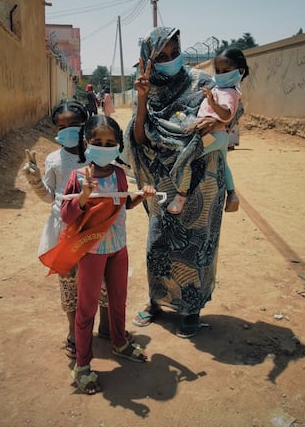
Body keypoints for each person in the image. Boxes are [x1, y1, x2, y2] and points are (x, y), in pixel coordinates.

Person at [125, 26, 234, 338]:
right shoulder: (146, 89)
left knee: (198, 245)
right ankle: (157, 300)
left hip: (203, 179)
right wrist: (143, 99)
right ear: (148, 59)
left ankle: (192, 307)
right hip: (163, 181)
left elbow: (227, 115)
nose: (172, 59)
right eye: (162, 56)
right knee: (158, 243)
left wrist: (217, 120)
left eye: (175, 53)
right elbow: (139, 137)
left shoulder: (201, 82)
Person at [60, 114, 155, 394]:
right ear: (86, 143)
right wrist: (83, 196)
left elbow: (124, 205)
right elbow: (67, 215)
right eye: (97, 141)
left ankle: (119, 342)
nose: (104, 146)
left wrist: (142, 195)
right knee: (86, 307)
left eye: (110, 142)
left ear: (118, 146)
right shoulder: (78, 177)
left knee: (118, 299)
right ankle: (83, 365)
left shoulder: (119, 174)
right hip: (91, 250)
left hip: (118, 248)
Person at [22, 100, 111, 360]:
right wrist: (35, 180)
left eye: (75, 125)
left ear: (86, 125)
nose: (68, 130)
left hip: (95, 228)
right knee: (69, 282)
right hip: (66, 230)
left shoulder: (99, 155)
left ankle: (106, 326)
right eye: (62, 126)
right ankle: (73, 331)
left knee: (104, 280)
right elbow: (50, 198)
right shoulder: (53, 159)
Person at [166, 48, 249, 215]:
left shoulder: (228, 92)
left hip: (213, 135)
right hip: (220, 137)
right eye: (218, 70)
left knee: (186, 156)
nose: (220, 74)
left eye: (226, 71)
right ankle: (232, 194)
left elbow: (227, 114)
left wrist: (212, 102)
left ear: (239, 71)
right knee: (224, 164)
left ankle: (182, 195)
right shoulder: (221, 89)